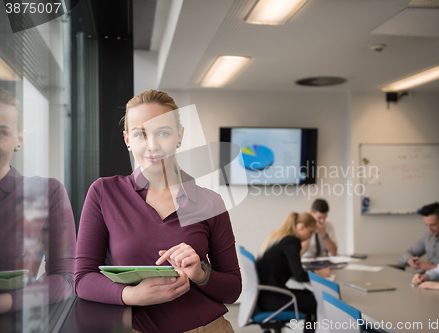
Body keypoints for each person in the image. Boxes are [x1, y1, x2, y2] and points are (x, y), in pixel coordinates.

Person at [75, 89, 241, 333]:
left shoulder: (210, 202)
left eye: (162, 132)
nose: (151, 145)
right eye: (140, 134)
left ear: (179, 136)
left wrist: (200, 273)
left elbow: (233, 290)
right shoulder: (104, 193)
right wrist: (130, 295)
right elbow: (82, 279)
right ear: (127, 140)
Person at [0, 88, 76, 315]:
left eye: (1, 132)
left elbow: (65, 280)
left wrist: (4, 302)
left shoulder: (47, 192)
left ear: (19, 139)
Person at [257, 212, 317, 333]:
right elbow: (299, 275)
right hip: (273, 298)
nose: (310, 237)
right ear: (301, 227)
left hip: (265, 296)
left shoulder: (278, 237)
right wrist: (319, 275)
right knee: (316, 302)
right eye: (310, 232)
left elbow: (291, 266)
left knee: (309, 296)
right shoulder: (291, 242)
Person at [398, 202, 439, 271]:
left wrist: (432, 267)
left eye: (433, 225)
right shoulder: (428, 236)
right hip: (426, 278)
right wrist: (410, 260)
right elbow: (409, 252)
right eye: (426, 225)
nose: (429, 229)